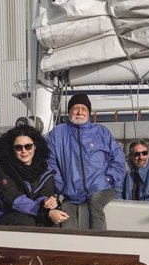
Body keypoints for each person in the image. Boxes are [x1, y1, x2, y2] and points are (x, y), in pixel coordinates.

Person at [47, 93, 126, 230]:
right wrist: (60, 187)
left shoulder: (101, 132)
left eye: (84, 109)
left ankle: (99, 247)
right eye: (75, 108)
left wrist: (109, 179)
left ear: (89, 112)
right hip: (70, 191)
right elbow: (51, 163)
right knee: (66, 211)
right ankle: (71, 249)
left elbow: (118, 158)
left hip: (101, 187)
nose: (79, 112)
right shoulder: (57, 134)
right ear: (69, 111)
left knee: (95, 203)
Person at [0, 125, 69, 226]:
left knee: (56, 220)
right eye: (18, 147)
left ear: (35, 146)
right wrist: (43, 212)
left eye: (28, 146)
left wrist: (48, 202)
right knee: (26, 221)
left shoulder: (45, 170)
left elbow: (45, 192)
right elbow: (12, 198)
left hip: (32, 212)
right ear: (12, 149)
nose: (24, 150)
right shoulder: (3, 169)